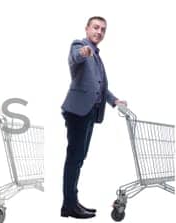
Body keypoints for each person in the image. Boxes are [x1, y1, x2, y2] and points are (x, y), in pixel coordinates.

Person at [60, 16, 124, 219]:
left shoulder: (97, 55)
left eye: (103, 29)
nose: (99, 32)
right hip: (77, 112)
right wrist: (83, 52)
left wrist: (114, 101)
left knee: (79, 159)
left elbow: (100, 86)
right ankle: (69, 206)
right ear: (87, 28)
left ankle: (71, 202)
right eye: (95, 28)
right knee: (74, 159)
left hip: (89, 113)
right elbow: (75, 57)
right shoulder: (80, 45)